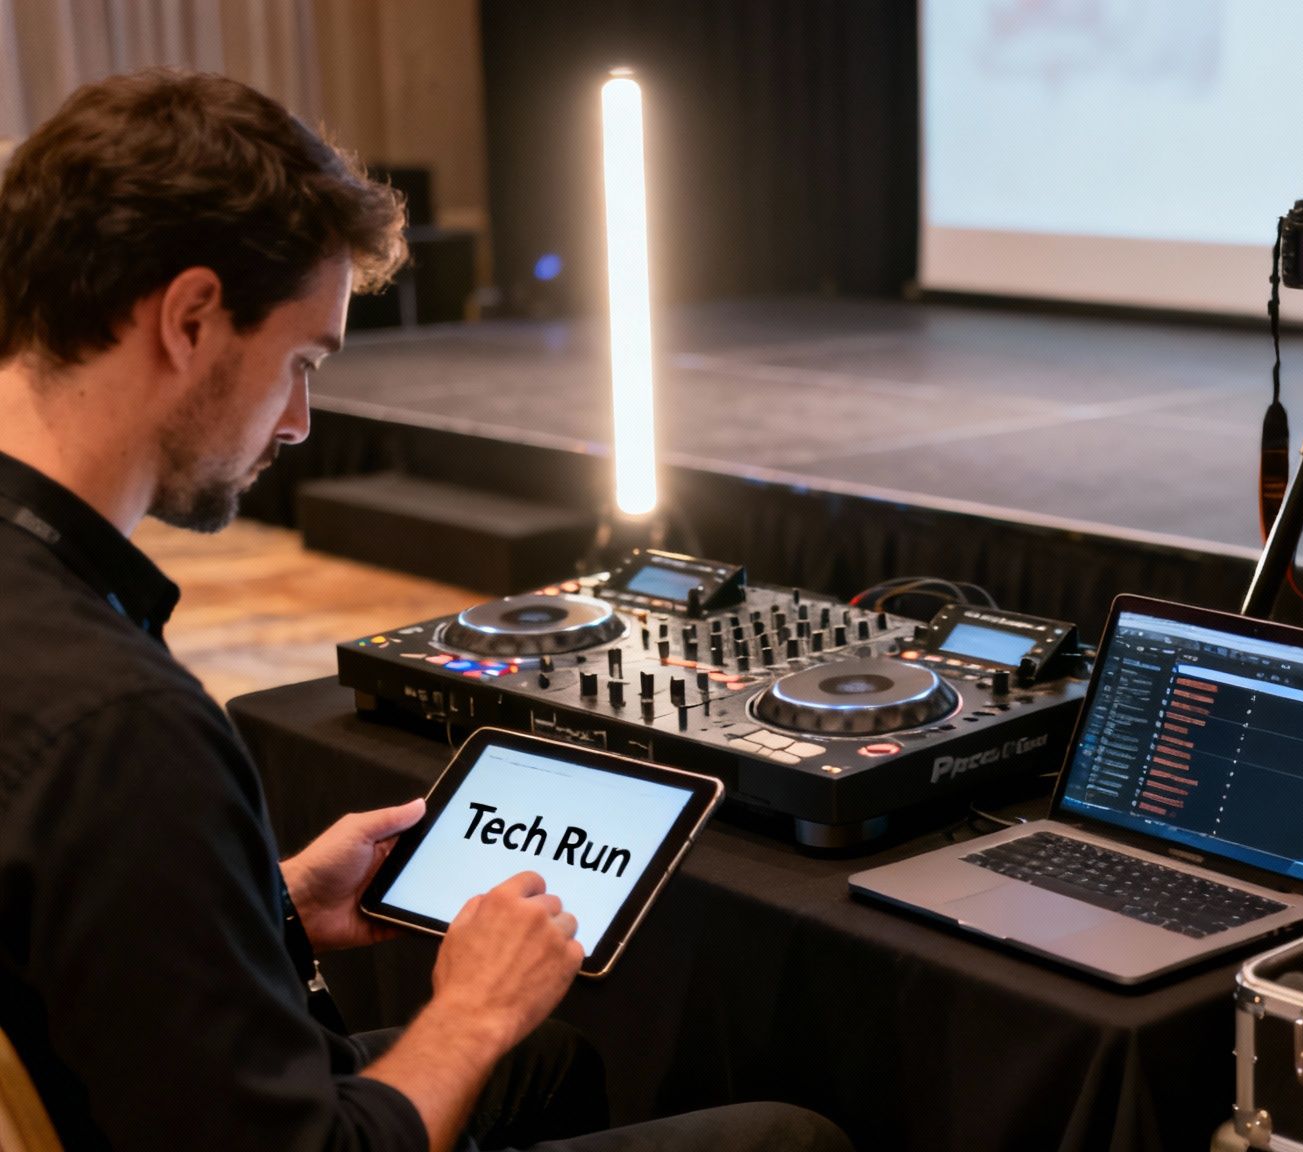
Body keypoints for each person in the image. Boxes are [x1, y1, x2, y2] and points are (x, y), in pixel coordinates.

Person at [0, 70, 851, 1152]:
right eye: (300, 362)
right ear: (192, 318)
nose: (302, 419)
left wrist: (264, 908)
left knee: (550, 1065)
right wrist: (473, 1009)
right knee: (784, 1140)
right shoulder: (121, 728)